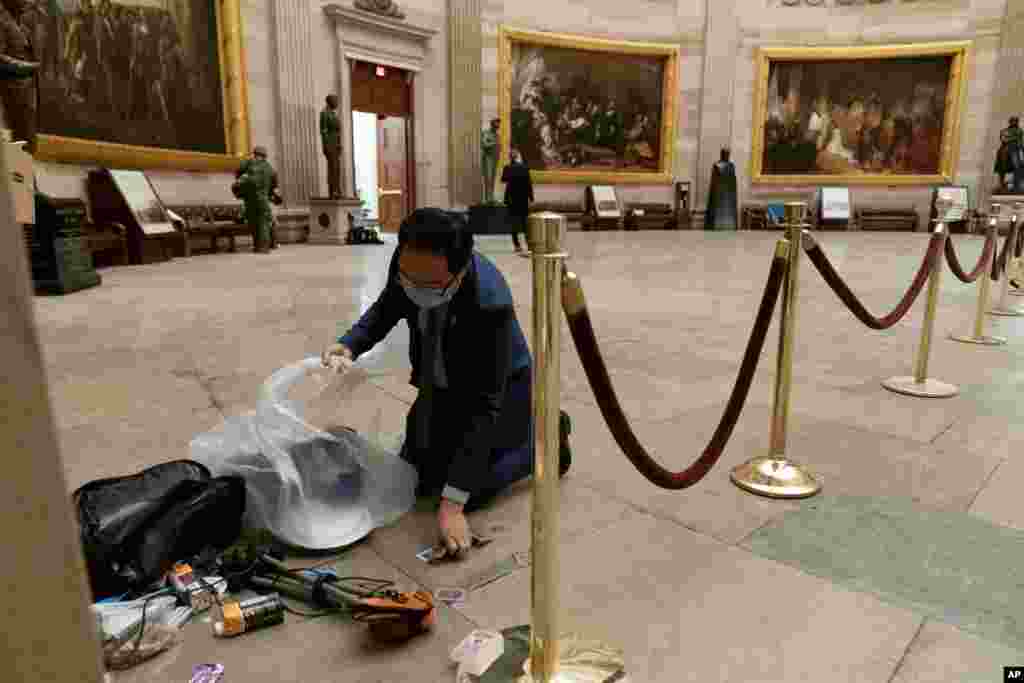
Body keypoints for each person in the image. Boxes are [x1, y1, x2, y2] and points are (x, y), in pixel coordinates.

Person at [322, 208, 572, 557]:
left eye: (430, 285)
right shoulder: (410, 259)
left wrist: (453, 507)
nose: (415, 290)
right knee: (420, 471)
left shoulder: (490, 304)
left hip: (498, 386)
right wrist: (350, 343)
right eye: (410, 279)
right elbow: (388, 306)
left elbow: (484, 408)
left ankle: (547, 441)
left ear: (461, 269)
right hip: (440, 377)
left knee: (472, 490)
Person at [234, 146, 280, 253]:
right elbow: (274, 185)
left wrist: (242, 180)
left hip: (249, 200)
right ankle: (263, 247)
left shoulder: (249, 163)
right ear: (265, 156)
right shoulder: (269, 168)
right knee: (263, 222)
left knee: (253, 222)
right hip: (263, 199)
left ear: (255, 154)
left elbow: (238, 172)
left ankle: (257, 246)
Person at [501, 150, 533, 255]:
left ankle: (517, 245)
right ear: (519, 157)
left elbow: (503, 179)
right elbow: (529, 184)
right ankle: (529, 244)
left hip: (511, 199)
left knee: (514, 223)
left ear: (510, 158)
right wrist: (531, 198)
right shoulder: (525, 167)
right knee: (525, 223)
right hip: (523, 198)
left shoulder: (507, 168)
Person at [320, 94, 343, 199]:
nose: (337, 103)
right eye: (335, 101)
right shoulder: (324, 114)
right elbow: (323, 132)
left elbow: (338, 132)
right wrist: (325, 146)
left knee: (337, 168)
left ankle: (337, 189)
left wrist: (339, 144)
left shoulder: (334, 114)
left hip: (335, 144)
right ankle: (332, 191)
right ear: (330, 102)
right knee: (332, 168)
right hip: (329, 144)